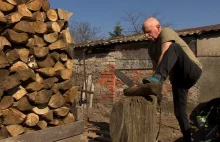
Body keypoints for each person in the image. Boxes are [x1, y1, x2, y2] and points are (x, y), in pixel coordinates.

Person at [142, 17, 202, 142]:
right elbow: (156, 68)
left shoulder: (166, 32)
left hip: (191, 70)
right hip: (178, 79)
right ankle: (188, 138)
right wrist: (154, 88)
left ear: (158, 28)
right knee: (179, 111)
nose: (146, 35)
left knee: (174, 47)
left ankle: (158, 80)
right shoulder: (150, 48)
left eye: (148, 32)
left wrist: (157, 80)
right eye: (144, 32)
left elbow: (165, 53)